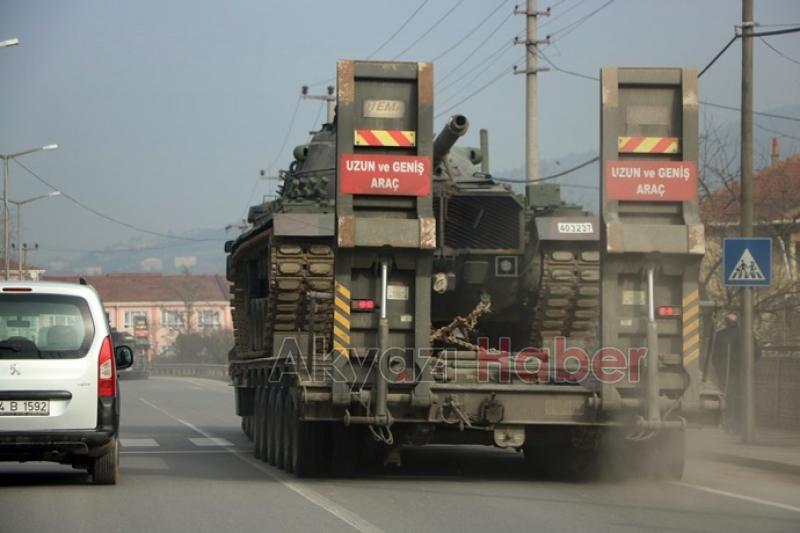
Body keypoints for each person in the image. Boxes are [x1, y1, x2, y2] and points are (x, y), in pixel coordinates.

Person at [711, 312, 762, 433]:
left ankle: (728, 423)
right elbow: (757, 353)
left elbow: (714, 356)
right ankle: (740, 424)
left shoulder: (720, 335)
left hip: (726, 371)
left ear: (726, 322)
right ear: (737, 321)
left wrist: (719, 369)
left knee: (728, 396)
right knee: (743, 396)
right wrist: (749, 365)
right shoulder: (747, 334)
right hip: (743, 371)